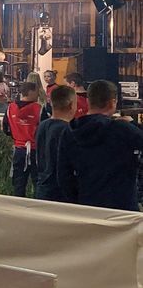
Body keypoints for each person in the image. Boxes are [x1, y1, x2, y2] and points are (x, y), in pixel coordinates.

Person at [57, 80, 143, 211]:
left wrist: (77, 200)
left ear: (87, 101)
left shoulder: (69, 131)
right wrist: (134, 125)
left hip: (87, 204)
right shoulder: (123, 129)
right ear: (112, 102)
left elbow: (63, 176)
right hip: (122, 206)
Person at [34, 85, 76, 203]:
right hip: (61, 192)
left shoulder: (42, 126)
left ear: (51, 103)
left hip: (42, 187)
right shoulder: (68, 130)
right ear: (71, 105)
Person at [3, 81, 41, 198]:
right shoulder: (39, 109)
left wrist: (17, 136)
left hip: (18, 149)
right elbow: (44, 129)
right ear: (31, 92)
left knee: (18, 182)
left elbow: (6, 128)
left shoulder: (10, 108)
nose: (38, 94)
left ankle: (18, 205)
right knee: (38, 182)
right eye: (37, 92)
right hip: (35, 150)